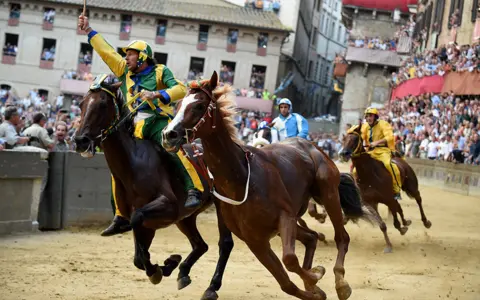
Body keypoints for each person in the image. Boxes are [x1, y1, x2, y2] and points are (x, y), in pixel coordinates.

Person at [78, 14, 204, 237]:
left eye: (130, 54)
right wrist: (89, 31)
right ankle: (120, 215)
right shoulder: (123, 70)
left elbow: (181, 90)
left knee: (171, 148)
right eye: (126, 55)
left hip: (157, 121)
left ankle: (194, 188)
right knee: (118, 164)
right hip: (133, 126)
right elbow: (106, 52)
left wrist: (157, 94)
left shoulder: (160, 71)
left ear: (143, 56)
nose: (126, 58)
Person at [355, 107, 402, 201]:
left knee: (389, 165)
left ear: (375, 116)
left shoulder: (383, 124)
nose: (368, 118)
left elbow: (390, 137)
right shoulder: (365, 126)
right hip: (370, 152)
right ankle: (358, 190)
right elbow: (360, 136)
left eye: (370, 116)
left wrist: (377, 142)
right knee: (355, 171)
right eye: (367, 116)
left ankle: (396, 190)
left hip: (383, 151)